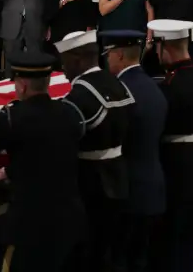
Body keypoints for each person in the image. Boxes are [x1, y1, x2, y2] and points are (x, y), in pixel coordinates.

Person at [0, 51, 87, 272]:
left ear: (22, 85)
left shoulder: (12, 118)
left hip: (31, 225)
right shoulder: (69, 113)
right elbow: (46, 156)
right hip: (70, 220)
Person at [54, 30, 134, 272]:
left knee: (85, 257)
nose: (63, 66)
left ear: (78, 59)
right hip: (119, 179)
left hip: (89, 186)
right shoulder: (117, 84)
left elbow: (62, 145)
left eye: (65, 60)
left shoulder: (80, 96)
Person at [147, 19, 193, 272]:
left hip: (177, 176)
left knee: (170, 250)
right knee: (186, 248)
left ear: (164, 46)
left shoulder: (172, 86)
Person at [98, 30, 167, 272]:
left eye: (108, 55)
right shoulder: (153, 86)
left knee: (120, 261)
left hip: (128, 192)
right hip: (153, 189)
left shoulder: (121, 92)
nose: (107, 61)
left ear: (118, 55)